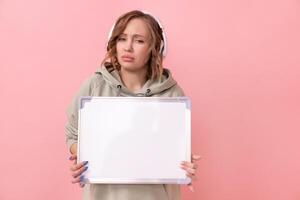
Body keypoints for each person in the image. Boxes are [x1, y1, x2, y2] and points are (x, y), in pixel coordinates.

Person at [65, 10, 201, 200]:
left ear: (156, 48)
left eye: (139, 41)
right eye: (122, 38)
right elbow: (72, 135)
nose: (128, 47)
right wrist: (83, 154)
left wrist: (184, 161)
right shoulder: (94, 87)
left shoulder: (172, 94)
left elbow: (172, 149)